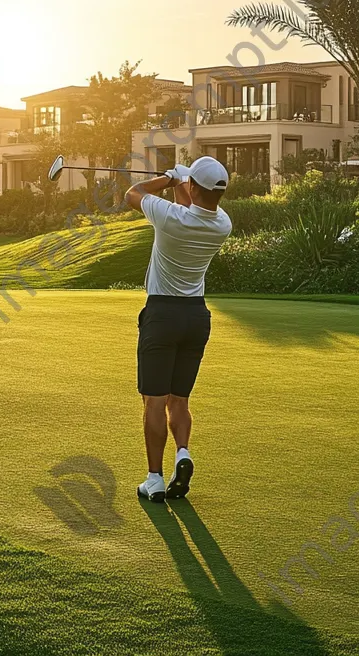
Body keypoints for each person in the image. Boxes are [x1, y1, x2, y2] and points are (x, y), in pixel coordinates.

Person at [124, 155, 232, 503]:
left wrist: (167, 179)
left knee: (153, 401)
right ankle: (182, 452)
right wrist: (183, 183)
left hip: (162, 315)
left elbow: (133, 192)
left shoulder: (170, 218)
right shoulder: (222, 224)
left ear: (192, 186)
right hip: (196, 318)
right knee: (179, 400)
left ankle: (154, 479)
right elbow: (193, 206)